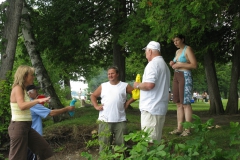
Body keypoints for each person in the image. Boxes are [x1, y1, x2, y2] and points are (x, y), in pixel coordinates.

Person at [8, 65, 54, 160]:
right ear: (25, 76)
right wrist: (37, 101)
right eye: (31, 75)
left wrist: (40, 100)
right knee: (18, 157)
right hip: (18, 127)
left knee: (44, 149)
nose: (33, 77)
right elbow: (22, 106)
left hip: (26, 126)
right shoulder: (18, 88)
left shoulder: (23, 89)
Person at [90, 66, 135, 152]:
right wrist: (96, 106)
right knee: (104, 146)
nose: (110, 75)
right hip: (105, 120)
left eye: (112, 73)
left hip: (120, 120)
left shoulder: (124, 85)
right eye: (109, 74)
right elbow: (93, 95)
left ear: (117, 74)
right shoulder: (103, 86)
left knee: (121, 146)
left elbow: (136, 94)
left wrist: (128, 103)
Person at [133, 41, 171, 143]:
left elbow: (149, 85)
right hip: (159, 108)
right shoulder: (164, 66)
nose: (145, 54)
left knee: (149, 142)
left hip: (151, 108)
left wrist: (137, 85)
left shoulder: (152, 64)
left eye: (145, 51)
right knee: (155, 141)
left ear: (150, 51)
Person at [26, 84, 75, 160]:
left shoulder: (25, 103)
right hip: (33, 138)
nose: (37, 93)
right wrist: (67, 108)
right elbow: (52, 113)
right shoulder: (33, 105)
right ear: (30, 93)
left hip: (26, 137)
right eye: (36, 91)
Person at [169, 34, 197, 136]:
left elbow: (194, 65)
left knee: (185, 103)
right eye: (174, 41)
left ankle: (187, 129)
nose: (175, 42)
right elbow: (177, 63)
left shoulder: (187, 49)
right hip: (176, 75)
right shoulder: (177, 51)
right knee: (178, 103)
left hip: (185, 76)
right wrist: (173, 63)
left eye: (177, 40)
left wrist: (180, 64)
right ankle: (179, 128)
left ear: (182, 39)